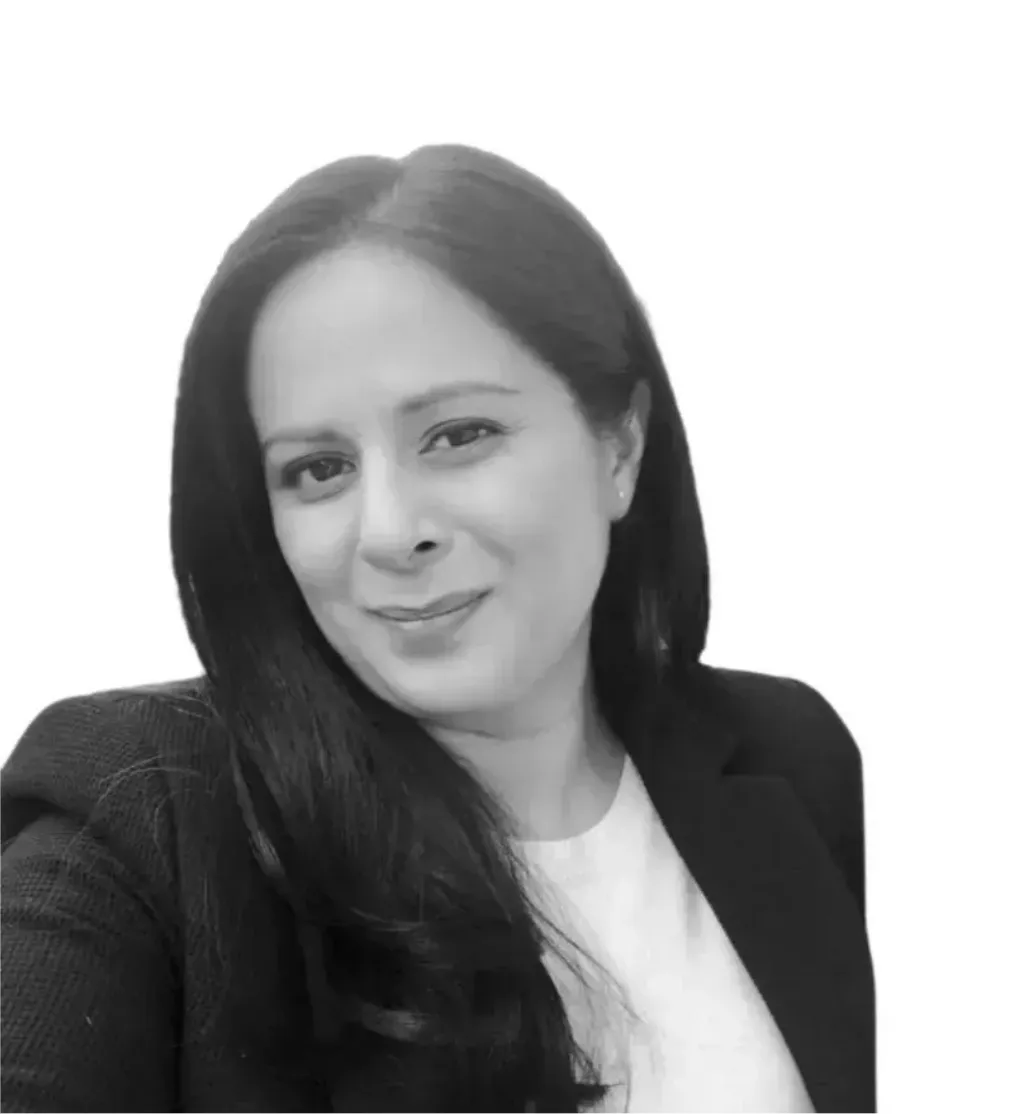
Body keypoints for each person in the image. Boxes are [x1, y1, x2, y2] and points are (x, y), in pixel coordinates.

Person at [0, 145, 875, 1113]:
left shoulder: (798, 761)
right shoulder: (140, 824)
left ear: (620, 447)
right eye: (318, 469)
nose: (388, 531)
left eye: (459, 435)